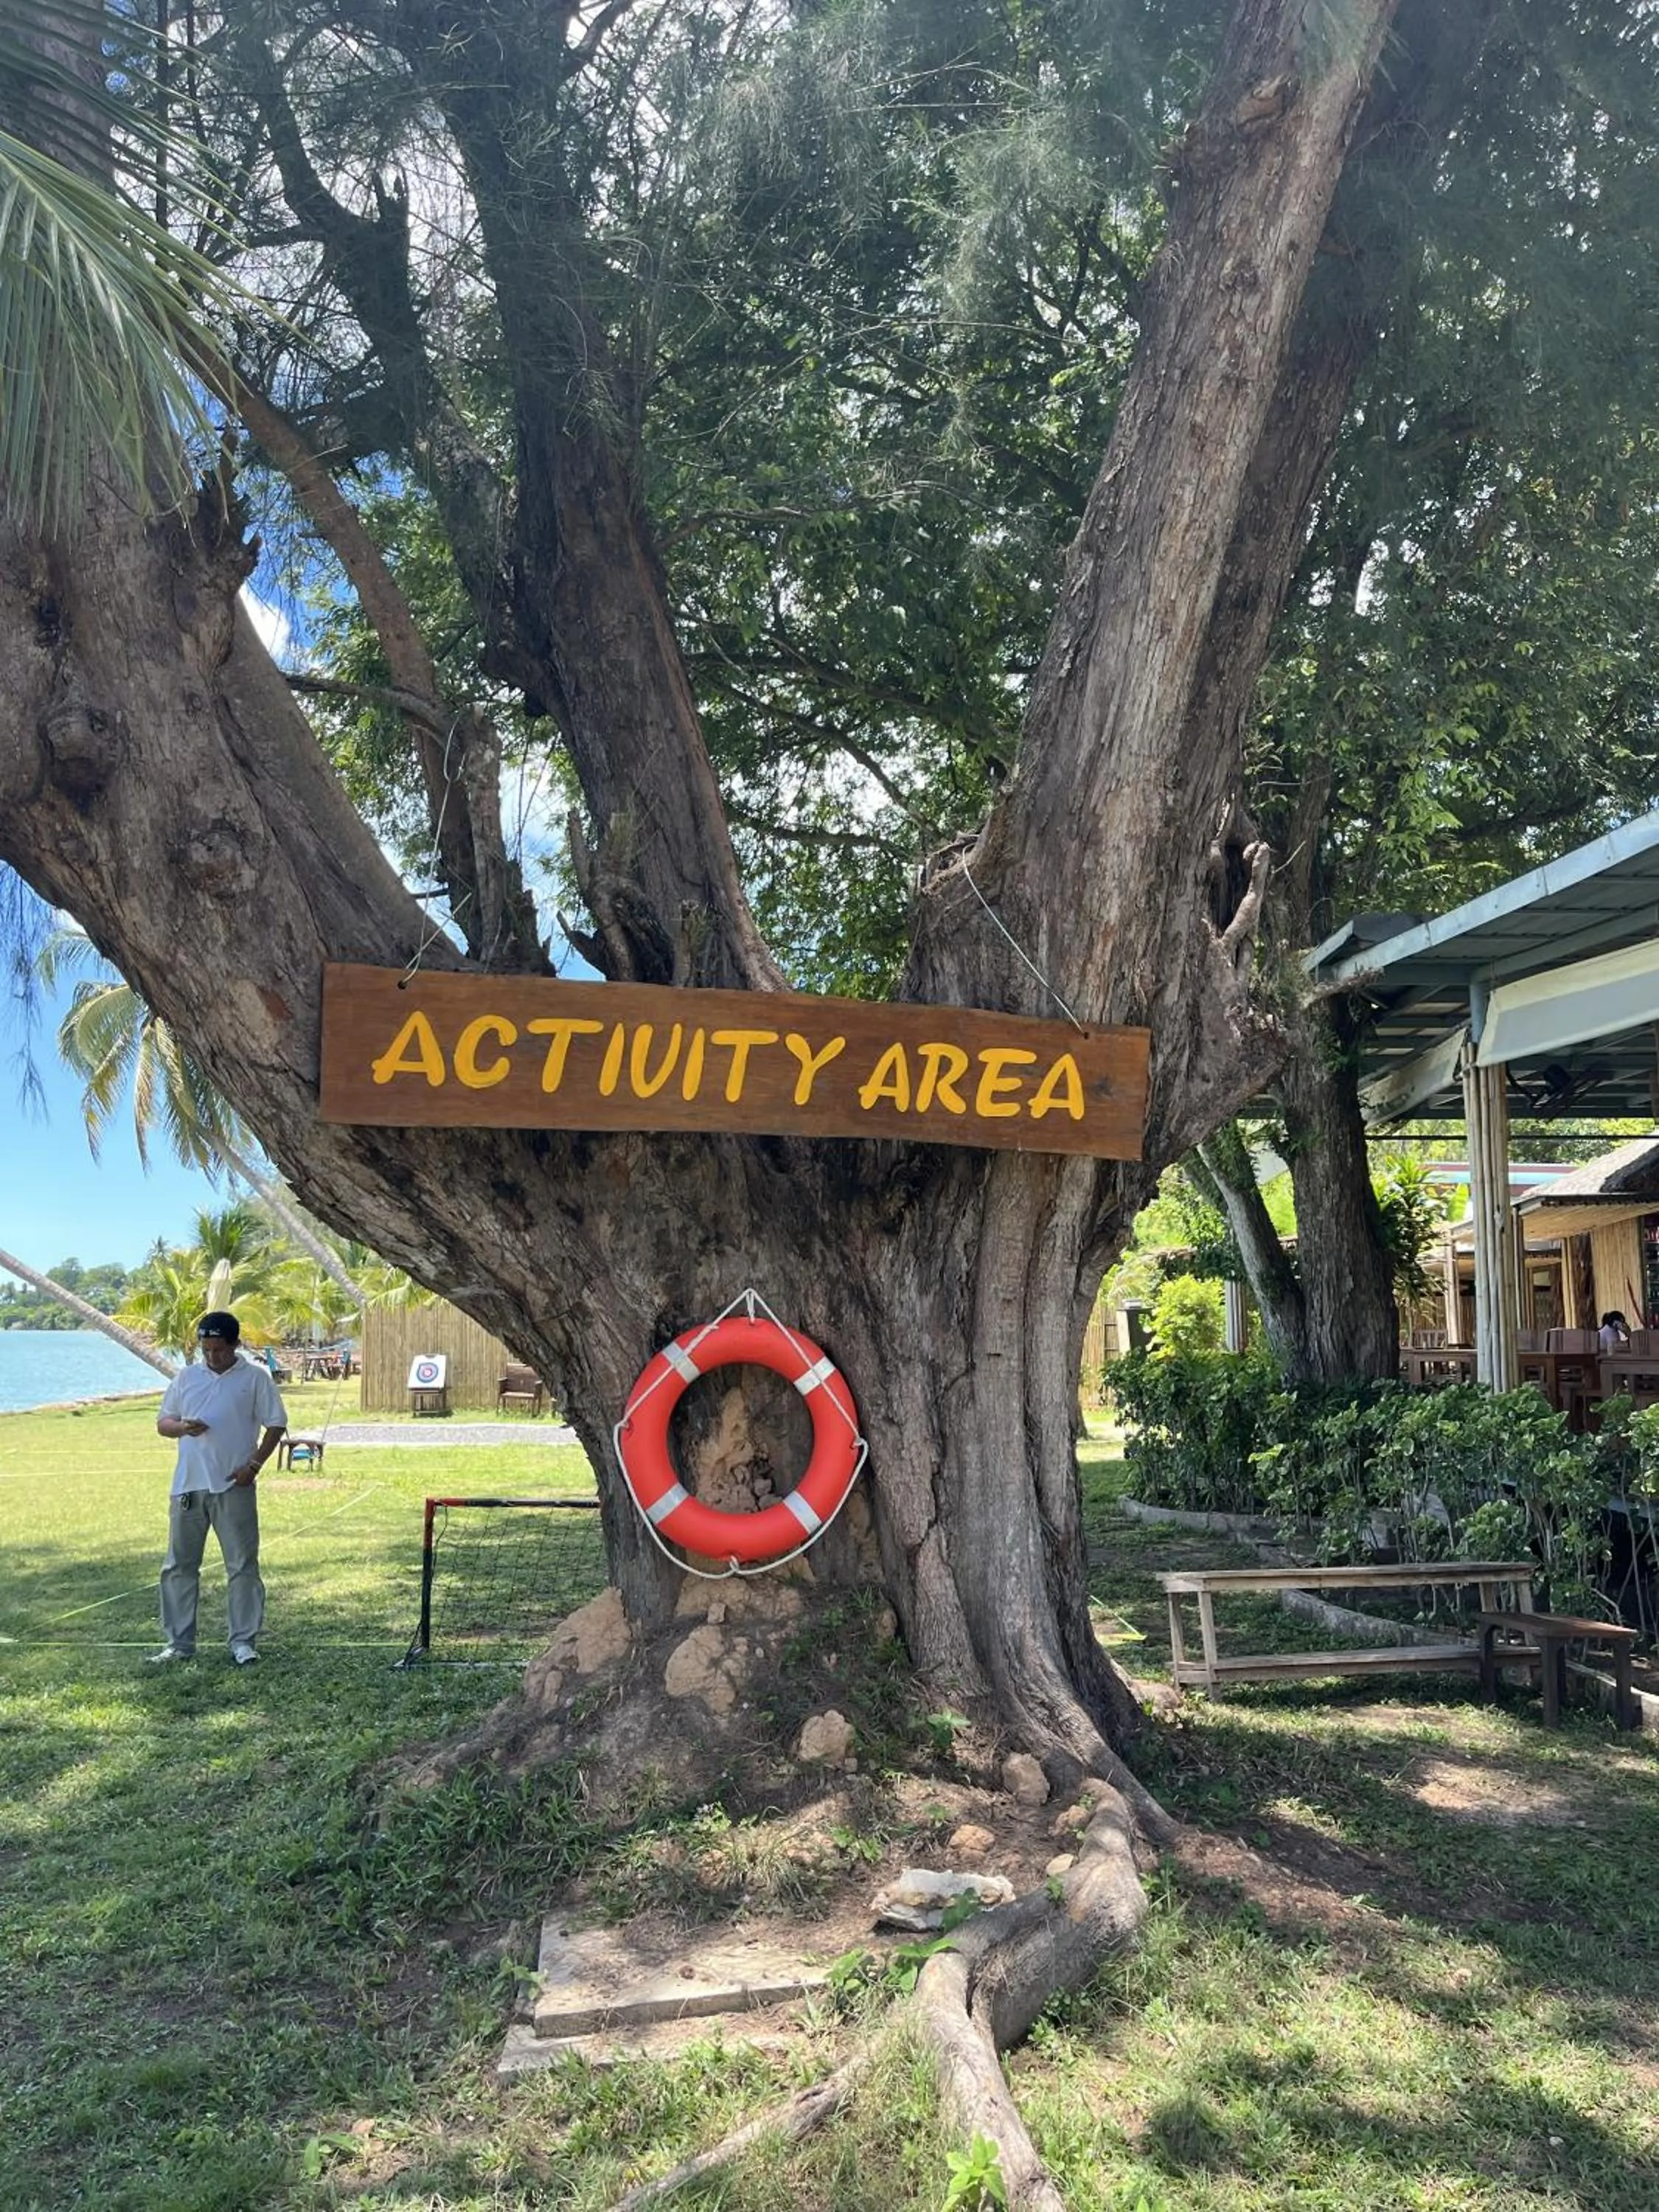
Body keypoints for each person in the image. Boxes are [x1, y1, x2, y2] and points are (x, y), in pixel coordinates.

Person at [150, 1310, 287, 1665]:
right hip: (188, 1487)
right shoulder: (186, 1378)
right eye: (206, 1350)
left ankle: (243, 1642)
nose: (212, 1357)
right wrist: (181, 1428)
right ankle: (178, 1645)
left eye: (219, 1350)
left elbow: (275, 1425)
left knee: (242, 1566)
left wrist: (253, 1466)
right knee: (179, 1566)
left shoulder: (255, 1378)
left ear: (236, 1345)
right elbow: (164, 1422)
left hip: (234, 1485)